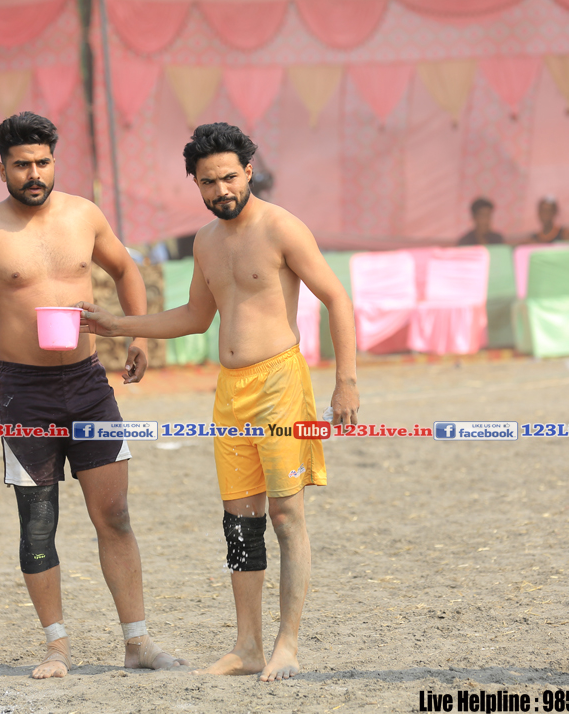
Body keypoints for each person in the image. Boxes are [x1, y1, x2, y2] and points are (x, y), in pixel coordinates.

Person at [76, 122, 360, 682]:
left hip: (280, 384)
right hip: (230, 392)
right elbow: (194, 317)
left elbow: (336, 298)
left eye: (229, 177)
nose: (220, 189)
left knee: (286, 515)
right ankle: (246, 646)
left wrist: (345, 381)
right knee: (239, 522)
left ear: (249, 171)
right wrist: (120, 325)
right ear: (197, 184)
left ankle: (286, 645)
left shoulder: (282, 227)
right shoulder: (205, 241)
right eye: (208, 182)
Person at [0, 111, 186, 679]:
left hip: (88, 385)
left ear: (55, 161)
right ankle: (57, 648)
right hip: (24, 393)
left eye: (43, 162)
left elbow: (126, 270)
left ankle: (138, 642)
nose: (34, 174)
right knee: (37, 523)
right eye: (22, 164)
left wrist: (136, 334)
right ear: (2, 168)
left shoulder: (84, 215)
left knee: (115, 514)